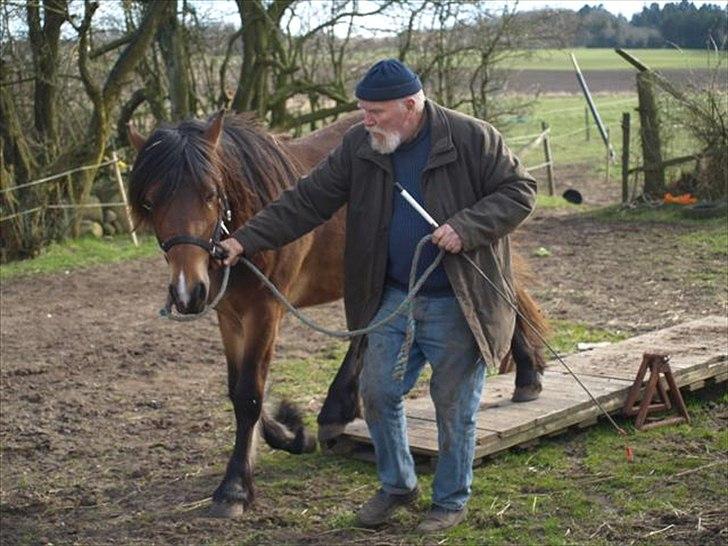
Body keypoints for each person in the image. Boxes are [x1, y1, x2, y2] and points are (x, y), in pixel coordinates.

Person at [217, 59, 537, 532]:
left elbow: (520, 191)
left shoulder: (472, 137)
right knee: (378, 391)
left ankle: (449, 500)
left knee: (453, 405)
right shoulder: (361, 146)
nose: (365, 120)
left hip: (458, 297)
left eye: (375, 112)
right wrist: (245, 239)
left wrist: (466, 228)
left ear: (411, 106)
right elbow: (307, 200)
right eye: (362, 110)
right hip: (391, 296)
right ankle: (397, 484)